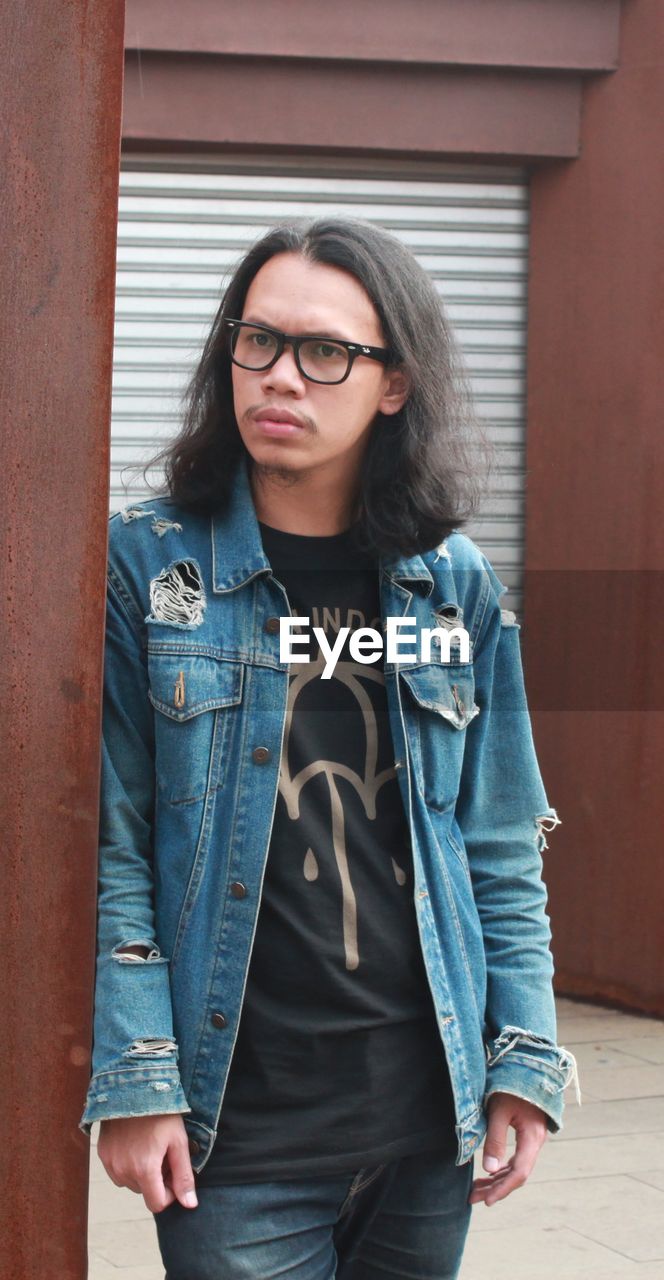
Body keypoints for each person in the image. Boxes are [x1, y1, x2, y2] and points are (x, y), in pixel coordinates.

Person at [80, 217, 580, 1280]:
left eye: (325, 352)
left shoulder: (452, 588)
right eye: (256, 340)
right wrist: (138, 1073)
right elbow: (108, 846)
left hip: (423, 1115)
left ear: (393, 382)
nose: (280, 376)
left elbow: (497, 843)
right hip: (239, 1124)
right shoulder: (150, 572)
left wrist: (521, 1059)